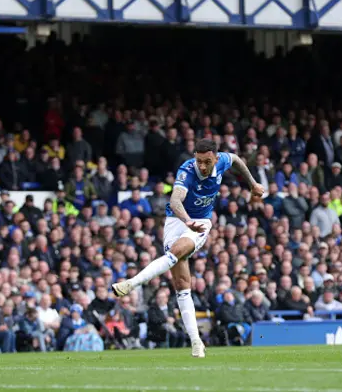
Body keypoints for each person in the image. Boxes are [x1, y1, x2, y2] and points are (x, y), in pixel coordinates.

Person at [112, 139, 264, 357]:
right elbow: (175, 201)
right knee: (182, 286)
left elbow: (238, 160)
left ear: (216, 158)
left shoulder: (224, 161)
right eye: (199, 160)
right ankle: (196, 342)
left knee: (175, 253)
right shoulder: (187, 171)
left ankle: (132, 283)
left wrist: (252, 184)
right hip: (176, 221)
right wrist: (186, 219)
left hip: (201, 222)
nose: (202, 166)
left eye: (207, 161)